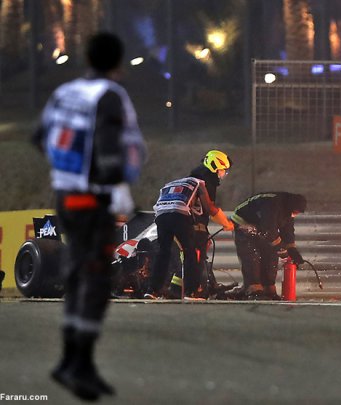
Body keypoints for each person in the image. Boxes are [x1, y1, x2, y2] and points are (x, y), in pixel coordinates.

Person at [31, 32, 146, 400]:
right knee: (96, 281)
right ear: (118, 63)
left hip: (65, 195)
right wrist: (118, 190)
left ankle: (71, 360)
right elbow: (110, 151)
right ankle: (79, 364)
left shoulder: (64, 93)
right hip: (92, 199)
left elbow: (39, 136)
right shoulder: (108, 95)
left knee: (78, 276)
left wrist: (67, 171)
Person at [144, 176, 234, 300]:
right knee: (191, 253)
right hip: (179, 214)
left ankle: (153, 290)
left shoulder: (170, 184)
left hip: (161, 216)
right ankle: (191, 292)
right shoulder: (199, 183)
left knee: (163, 253)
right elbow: (209, 208)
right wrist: (226, 223)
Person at [230, 192, 307, 300]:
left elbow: (288, 231)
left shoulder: (288, 210)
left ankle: (268, 288)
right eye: (295, 212)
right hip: (244, 222)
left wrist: (292, 249)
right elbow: (269, 230)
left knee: (271, 255)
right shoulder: (272, 204)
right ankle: (253, 288)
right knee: (252, 255)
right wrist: (282, 250)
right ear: (290, 207)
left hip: (261, 225)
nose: (295, 214)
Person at [180, 150, 235, 297]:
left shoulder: (195, 176)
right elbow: (210, 208)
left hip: (186, 223)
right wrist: (226, 223)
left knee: (192, 257)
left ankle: (180, 289)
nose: (224, 174)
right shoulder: (206, 181)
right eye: (224, 170)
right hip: (194, 225)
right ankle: (194, 290)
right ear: (216, 166)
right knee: (197, 256)